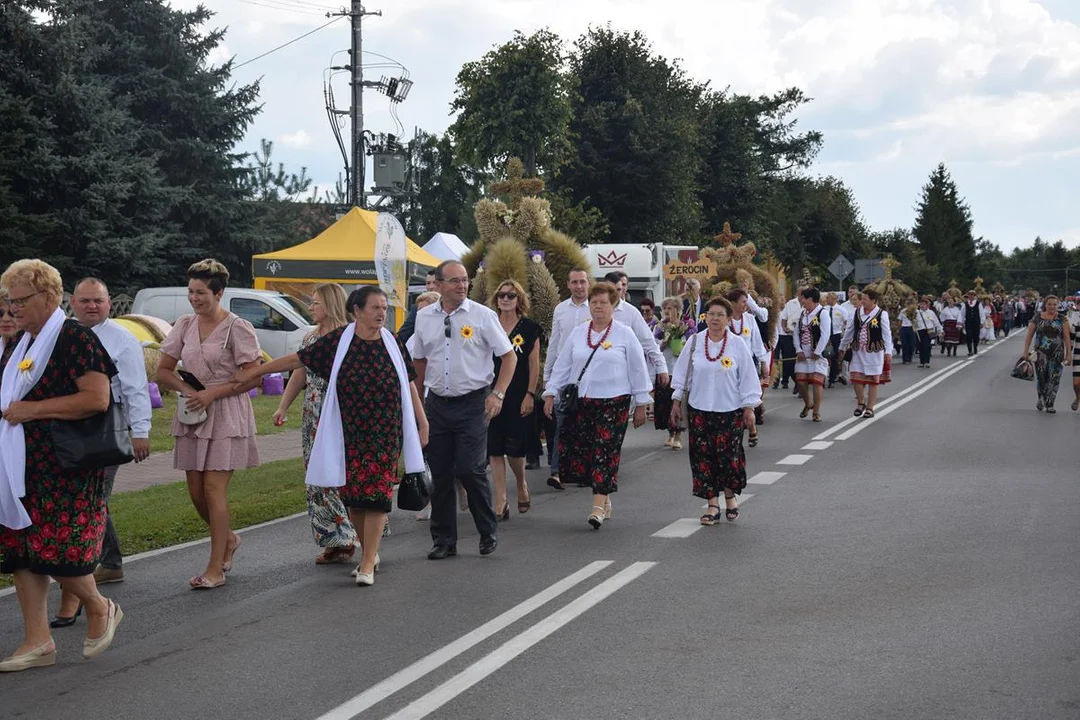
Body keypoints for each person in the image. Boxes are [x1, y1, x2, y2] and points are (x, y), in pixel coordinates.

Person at [236, 286, 427, 585]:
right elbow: (296, 361)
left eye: (383, 308)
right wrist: (255, 372)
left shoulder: (393, 343)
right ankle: (369, 550)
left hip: (384, 432)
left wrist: (421, 421)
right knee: (354, 497)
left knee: (377, 494)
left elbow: (410, 383)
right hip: (347, 431)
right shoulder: (339, 342)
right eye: (375, 308)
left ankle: (367, 563)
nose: (381, 314)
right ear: (357, 311)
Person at [0, 260, 123, 672]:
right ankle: (38, 640)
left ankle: (99, 606)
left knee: (57, 552)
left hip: (64, 467)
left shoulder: (74, 338)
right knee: (21, 551)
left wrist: (33, 410)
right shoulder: (22, 343)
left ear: (48, 297)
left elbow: (96, 398)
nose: (12, 309)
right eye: (8, 300)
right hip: (21, 468)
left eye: (19, 300)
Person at [52, 278, 153, 628]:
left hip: (107, 428)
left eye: (98, 301)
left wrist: (140, 432)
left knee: (93, 499)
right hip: (69, 429)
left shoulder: (122, 339)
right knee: (90, 500)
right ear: (72, 303)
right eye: (85, 301)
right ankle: (109, 561)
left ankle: (87, 574)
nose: (92, 306)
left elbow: (137, 388)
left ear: (109, 303)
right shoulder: (62, 334)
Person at [156, 259, 262, 590]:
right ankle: (228, 539)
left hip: (226, 413)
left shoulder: (237, 328)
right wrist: (189, 390)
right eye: (190, 292)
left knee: (214, 490)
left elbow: (251, 377)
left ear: (219, 293)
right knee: (196, 492)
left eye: (201, 292)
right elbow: (163, 370)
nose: (194, 298)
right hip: (192, 413)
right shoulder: (184, 325)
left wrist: (213, 393)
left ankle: (215, 568)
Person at [411, 260, 516, 560]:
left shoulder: (482, 316)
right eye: (454, 281)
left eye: (465, 280)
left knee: (470, 468)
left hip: (473, 403)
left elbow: (509, 358)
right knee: (441, 473)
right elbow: (419, 361)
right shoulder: (425, 318)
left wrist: (498, 394)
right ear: (439, 284)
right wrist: (417, 402)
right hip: (437, 404)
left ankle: (487, 531)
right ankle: (444, 540)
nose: (461, 286)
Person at [544, 282, 651, 529]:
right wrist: (550, 392)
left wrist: (642, 403)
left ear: (613, 305)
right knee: (589, 454)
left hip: (615, 402)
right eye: (594, 303)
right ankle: (605, 496)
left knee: (605, 451)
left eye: (603, 302)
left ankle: (596, 507)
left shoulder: (624, 333)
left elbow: (638, 368)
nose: (598, 307)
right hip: (583, 402)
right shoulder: (579, 333)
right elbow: (563, 366)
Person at [269, 283, 358, 565]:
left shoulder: (351, 336)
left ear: (330, 304)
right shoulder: (310, 339)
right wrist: (283, 405)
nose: (311, 308)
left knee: (344, 473)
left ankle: (352, 532)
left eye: (315, 303)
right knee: (317, 474)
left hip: (342, 412)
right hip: (314, 411)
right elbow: (299, 374)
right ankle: (332, 537)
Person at [669, 297, 761, 524]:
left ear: (729, 319)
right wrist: (675, 401)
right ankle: (711, 505)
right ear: (705, 317)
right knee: (703, 458)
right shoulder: (695, 342)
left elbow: (748, 378)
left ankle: (730, 498)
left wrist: (749, 408)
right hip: (699, 410)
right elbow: (682, 374)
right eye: (711, 314)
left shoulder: (737, 344)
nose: (715, 319)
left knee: (728, 458)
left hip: (729, 410)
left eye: (720, 315)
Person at [487, 279, 540, 518]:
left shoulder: (529, 328)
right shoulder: (488, 324)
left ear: (519, 300)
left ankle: (521, 484)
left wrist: (530, 394)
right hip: (492, 391)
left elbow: (533, 364)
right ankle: (500, 500)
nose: (505, 300)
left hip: (518, 392)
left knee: (514, 449)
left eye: (510, 296)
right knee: (494, 448)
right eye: (501, 295)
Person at [543, 268, 591, 490]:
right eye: (575, 282)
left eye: (582, 282)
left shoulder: (597, 308)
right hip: (565, 377)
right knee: (562, 424)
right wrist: (548, 378)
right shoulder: (561, 309)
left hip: (590, 377)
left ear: (588, 284)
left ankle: (584, 469)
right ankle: (557, 471)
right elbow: (554, 343)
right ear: (568, 284)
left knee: (585, 424)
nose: (579, 286)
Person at [839, 287, 893, 419]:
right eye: (862, 298)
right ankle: (860, 402)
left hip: (874, 352)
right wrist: (843, 346)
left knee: (873, 380)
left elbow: (887, 334)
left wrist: (889, 351)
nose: (862, 301)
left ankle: (870, 408)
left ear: (873, 300)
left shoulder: (881, 314)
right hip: (858, 351)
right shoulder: (856, 313)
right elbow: (849, 332)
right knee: (856, 378)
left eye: (865, 299)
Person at [726, 289, 768, 445]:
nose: (745, 305)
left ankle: (752, 428)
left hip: (748, 364)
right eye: (743, 301)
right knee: (733, 397)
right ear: (733, 303)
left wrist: (763, 363)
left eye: (746, 301)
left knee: (747, 397)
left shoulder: (750, 319)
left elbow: (757, 342)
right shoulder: (726, 320)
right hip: (729, 365)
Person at [653, 297, 694, 450]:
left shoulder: (686, 326)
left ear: (678, 310)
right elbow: (655, 347)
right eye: (665, 308)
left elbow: (690, 345)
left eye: (670, 308)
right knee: (665, 403)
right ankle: (670, 432)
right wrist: (665, 341)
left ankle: (678, 434)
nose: (667, 311)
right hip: (665, 370)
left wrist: (679, 344)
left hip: (679, 370)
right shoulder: (659, 327)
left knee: (678, 402)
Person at [1020, 295, 1072, 413]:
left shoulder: (1062, 319)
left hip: (1057, 354)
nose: (1052, 307)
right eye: (1049, 304)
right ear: (1045, 305)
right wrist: (1025, 351)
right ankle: (1041, 398)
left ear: (1058, 305)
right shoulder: (1037, 317)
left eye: (1054, 304)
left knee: (1054, 379)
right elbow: (1029, 335)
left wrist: (1069, 354)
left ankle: (1050, 403)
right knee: (1042, 378)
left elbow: (1066, 337)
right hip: (1041, 353)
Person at [793, 288, 831, 422]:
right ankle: (808, 403)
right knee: (801, 382)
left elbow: (825, 334)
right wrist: (798, 350)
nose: (802, 301)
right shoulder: (803, 314)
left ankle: (816, 411)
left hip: (817, 353)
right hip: (803, 353)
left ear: (811, 299)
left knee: (817, 382)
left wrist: (817, 352)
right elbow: (796, 333)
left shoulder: (822, 313)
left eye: (804, 298)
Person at [396, 269, 439, 345]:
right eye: (428, 283)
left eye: (435, 282)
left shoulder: (454, 307)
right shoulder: (417, 307)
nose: (431, 287)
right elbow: (403, 335)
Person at [774, 290, 802, 391]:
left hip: (788, 336)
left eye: (782, 300)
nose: (781, 302)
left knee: (788, 360)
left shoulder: (789, 307)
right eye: (779, 300)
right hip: (777, 337)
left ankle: (788, 380)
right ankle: (775, 380)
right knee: (776, 359)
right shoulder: (774, 311)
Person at [824, 293, 846, 388]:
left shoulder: (841, 310)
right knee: (824, 356)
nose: (826, 299)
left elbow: (846, 322)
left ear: (834, 299)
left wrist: (843, 332)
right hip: (826, 335)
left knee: (834, 357)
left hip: (836, 335)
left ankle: (832, 379)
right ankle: (822, 377)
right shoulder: (825, 309)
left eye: (828, 298)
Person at [914, 297, 943, 369]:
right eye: (921, 304)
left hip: (929, 330)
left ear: (927, 305)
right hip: (920, 330)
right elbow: (914, 321)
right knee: (920, 346)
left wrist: (940, 329)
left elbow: (936, 322)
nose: (922, 306)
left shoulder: (931, 312)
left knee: (927, 346)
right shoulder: (917, 312)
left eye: (924, 304)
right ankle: (921, 362)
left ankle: (927, 362)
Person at [962, 291, 985, 356]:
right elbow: (962, 314)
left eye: (972, 295)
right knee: (968, 336)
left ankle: (975, 347)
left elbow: (981, 313)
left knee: (976, 336)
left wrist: (982, 322)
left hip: (976, 322)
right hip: (968, 322)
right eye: (970, 295)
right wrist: (962, 322)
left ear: (974, 296)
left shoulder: (978, 304)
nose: (971, 296)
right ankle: (970, 350)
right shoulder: (965, 304)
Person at [898, 298, 917, 365]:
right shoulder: (903, 311)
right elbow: (900, 320)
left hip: (912, 328)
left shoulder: (915, 311)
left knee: (912, 344)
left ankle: (910, 356)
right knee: (904, 344)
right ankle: (905, 359)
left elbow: (917, 320)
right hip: (904, 328)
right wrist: (900, 329)